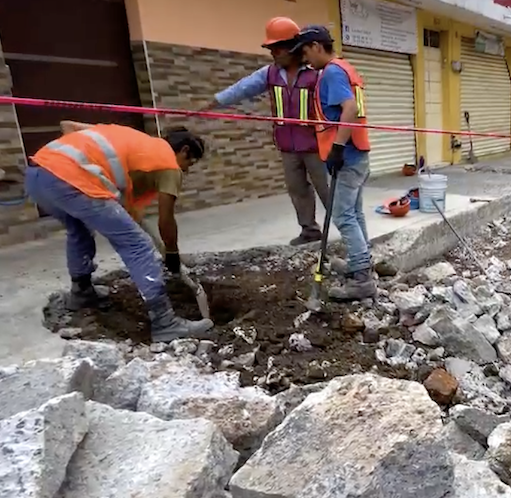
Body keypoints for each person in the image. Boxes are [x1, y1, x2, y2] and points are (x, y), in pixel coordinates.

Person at [25, 122, 213, 342]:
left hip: (38, 177)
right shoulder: (169, 163)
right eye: (189, 162)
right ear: (184, 150)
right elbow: (166, 219)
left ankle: (82, 292)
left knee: (79, 231)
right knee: (138, 244)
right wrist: (172, 254)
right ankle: (165, 323)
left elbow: (67, 126)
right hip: (70, 179)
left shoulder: (135, 141)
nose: (186, 169)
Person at [209, 17, 329, 246]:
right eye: (271, 49)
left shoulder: (317, 73)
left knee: (327, 189)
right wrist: (215, 102)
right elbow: (242, 88)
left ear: (293, 48)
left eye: (277, 49)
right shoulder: (270, 73)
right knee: (297, 189)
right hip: (287, 144)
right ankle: (309, 230)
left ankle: (346, 228)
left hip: (315, 144)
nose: (273, 54)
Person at [290, 24, 376, 300]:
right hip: (358, 153)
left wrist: (338, 147)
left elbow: (348, 107)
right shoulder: (345, 68)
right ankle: (360, 262)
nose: (305, 59)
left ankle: (362, 279)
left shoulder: (331, 72)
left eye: (305, 51)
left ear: (316, 46)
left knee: (342, 215)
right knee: (355, 213)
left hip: (348, 156)